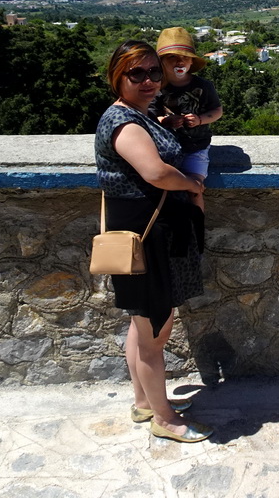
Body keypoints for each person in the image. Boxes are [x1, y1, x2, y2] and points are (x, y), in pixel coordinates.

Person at [94, 40, 213, 443]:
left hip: (150, 231)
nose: (148, 80)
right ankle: (165, 420)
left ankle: (145, 402)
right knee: (154, 332)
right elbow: (156, 173)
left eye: (153, 72)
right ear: (118, 77)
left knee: (142, 321)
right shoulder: (124, 123)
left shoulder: (140, 115)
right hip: (143, 237)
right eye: (136, 73)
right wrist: (193, 182)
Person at [150, 27, 223, 213]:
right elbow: (148, 118)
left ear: (191, 62)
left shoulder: (204, 86)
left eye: (184, 57)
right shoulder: (155, 87)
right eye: (172, 57)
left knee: (195, 188)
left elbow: (217, 110)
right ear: (161, 62)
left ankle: (196, 226)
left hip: (196, 148)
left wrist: (200, 119)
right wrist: (166, 121)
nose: (179, 61)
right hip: (163, 151)